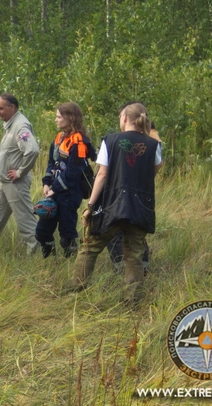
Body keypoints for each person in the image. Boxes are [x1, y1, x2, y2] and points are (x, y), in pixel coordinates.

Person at [68, 103, 163, 298]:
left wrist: (90, 206)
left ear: (125, 118)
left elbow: (102, 175)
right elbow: (154, 169)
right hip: (140, 207)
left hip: (111, 206)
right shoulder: (153, 145)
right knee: (134, 254)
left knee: (90, 248)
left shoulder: (110, 141)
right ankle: (132, 300)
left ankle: (76, 291)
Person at [36, 102, 96, 258]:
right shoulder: (58, 138)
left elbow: (74, 172)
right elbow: (51, 163)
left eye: (58, 117)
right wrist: (46, 183)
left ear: (70, 118)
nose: (56, 120)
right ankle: (50, 260)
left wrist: (54, 188)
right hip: (54, 191)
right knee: (42, 232)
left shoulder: (80, 142)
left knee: (67, 235)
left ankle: (71, 264)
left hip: (70, 193)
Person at [0, 93, 41, 254]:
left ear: (12, 107)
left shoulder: (20, 125)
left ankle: (38, 253)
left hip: (15, 183)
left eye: (1, 108)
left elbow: (32, 150)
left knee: (26, 222)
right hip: (6, 182)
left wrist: (20, 172)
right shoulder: (11, 124)